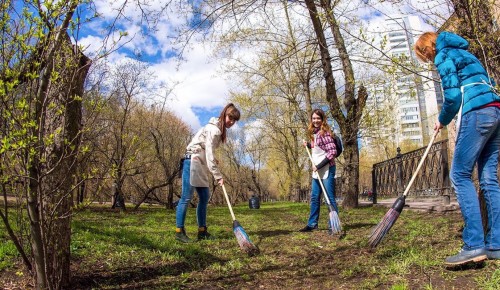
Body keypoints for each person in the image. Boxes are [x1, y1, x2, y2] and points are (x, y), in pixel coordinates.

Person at [415, 31, 500, 265]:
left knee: (459, 174)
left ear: (426, 49)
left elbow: (452, 97)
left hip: (477, 113)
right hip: (495, 110)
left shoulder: (443, 56)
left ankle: (474, 245)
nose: (428, 60)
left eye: (424, 56)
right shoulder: (466, 53)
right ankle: (496, 244)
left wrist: (442, 119)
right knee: (489, 178)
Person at [175, 103, 241, 243]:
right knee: (186, 197)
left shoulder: (217, 129)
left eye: (235, 120)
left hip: (200, 162)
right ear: (224, 114)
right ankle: (179, 232)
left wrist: (213, 160)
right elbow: (208, 152)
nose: (232, 122)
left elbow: (205, 149)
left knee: (204, 197)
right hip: (192, 161)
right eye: (231, 118)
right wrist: (218, 176)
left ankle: (202, 231)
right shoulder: (214, 130)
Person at [299, 109, 338, 233]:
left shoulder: (325, 133)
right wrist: (308, 145)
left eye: (318, 118)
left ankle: (333, 225)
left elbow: (332, 152)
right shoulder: (314, 133)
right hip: (317, 170)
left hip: (327, 169)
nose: (315, 120)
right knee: (315, 197)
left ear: (322, 119)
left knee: (329, 198)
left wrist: (319, 166)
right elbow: (319, 148)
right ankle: (312, 224)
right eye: (314, 118)